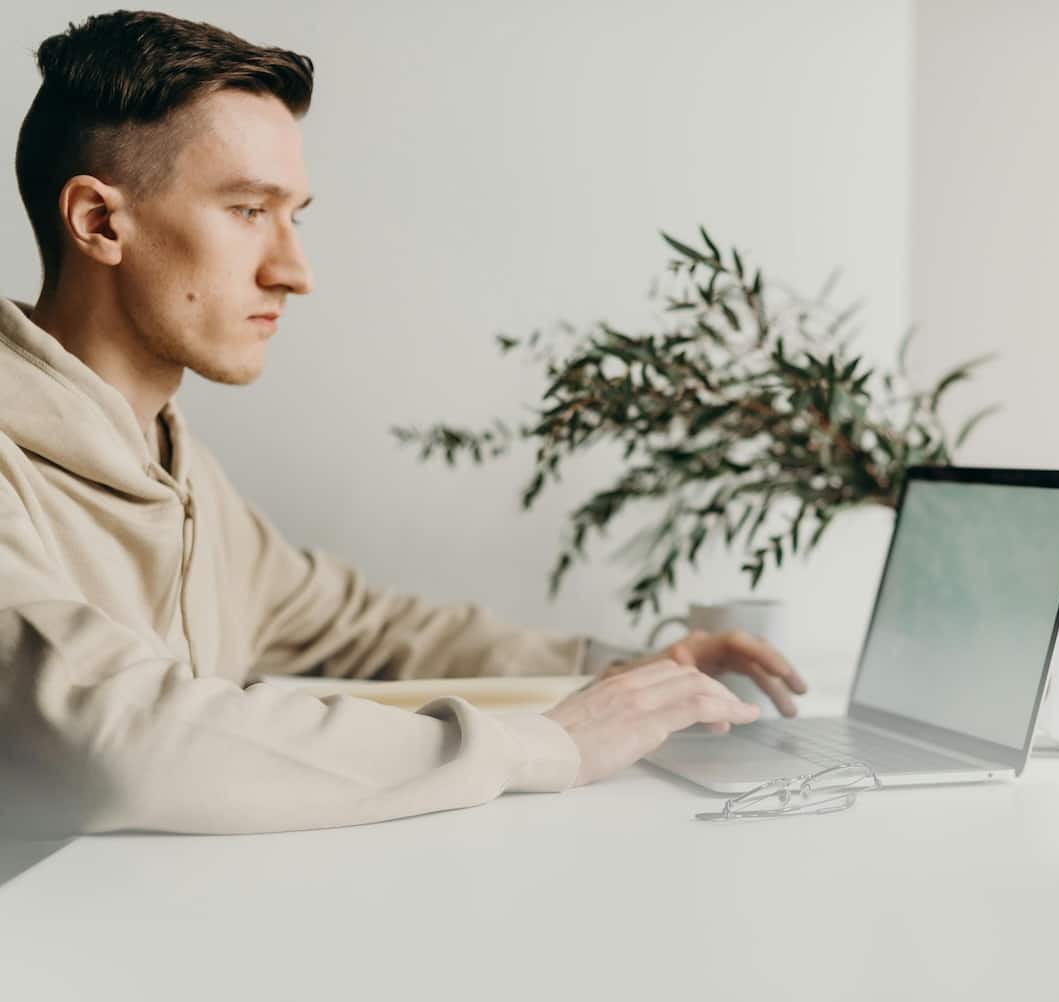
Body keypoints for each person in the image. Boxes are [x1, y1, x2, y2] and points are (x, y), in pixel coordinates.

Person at [0, 10, 805, 837]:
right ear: (100, 222)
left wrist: (621, 671)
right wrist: (545, 745)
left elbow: (365, 629)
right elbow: (131, 743)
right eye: (247, 209)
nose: (294, 271)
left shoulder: (177, 467)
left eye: (294, 216)